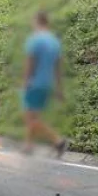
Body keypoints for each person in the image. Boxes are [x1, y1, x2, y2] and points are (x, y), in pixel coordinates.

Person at [22, 12, 69, 157]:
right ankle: (28, 146)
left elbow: (30, 62)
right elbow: (58, 67)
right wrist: (59, 89)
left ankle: (58, 141)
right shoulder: (54, 41)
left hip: (35, 83)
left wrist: (25, 81)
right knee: (32, 114)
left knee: (32, 117)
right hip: (47, 83)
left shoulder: (35, 40)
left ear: (37, 21)